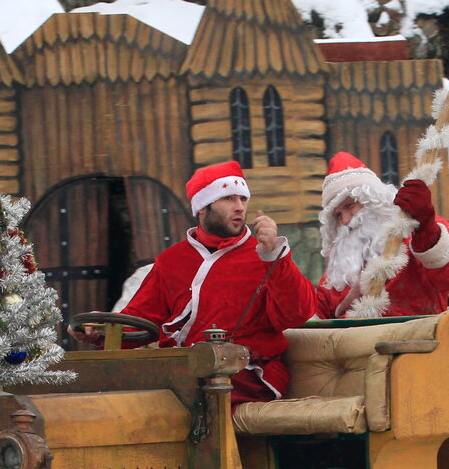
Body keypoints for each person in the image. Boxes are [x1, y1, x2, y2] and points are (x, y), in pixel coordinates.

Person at [70, 161, 314, 402]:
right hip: (179, 371)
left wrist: (275, 257)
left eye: (243, 199)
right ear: (202, 208)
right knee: (121, 396)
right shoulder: (171, 260)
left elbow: (297, 314)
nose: (240, 207)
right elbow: (142, 320)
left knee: (179, 396)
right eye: (228, 198)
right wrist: (98, 329)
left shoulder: (264, 256)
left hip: (243, 375)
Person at [312, 152, 449, 318]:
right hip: (355, 335)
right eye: (338, 215)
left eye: (350, 206)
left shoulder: (419, 233)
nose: (346, 220)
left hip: (419, 333)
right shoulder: (340, 270)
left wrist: (425, 227)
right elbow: (316, 315)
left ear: (374, 201)